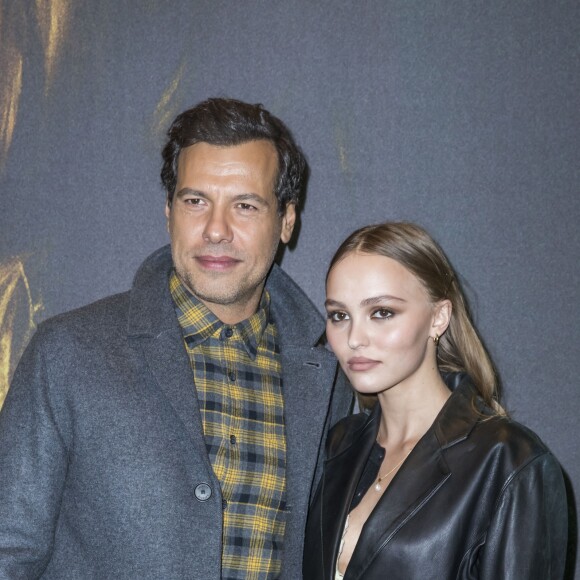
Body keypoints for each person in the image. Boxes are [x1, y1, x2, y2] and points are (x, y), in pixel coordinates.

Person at [0, 98, 351, 579]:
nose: (215, 230)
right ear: (169, 211)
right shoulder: (69, 353)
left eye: (245, 206)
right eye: (195, 201)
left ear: (286, 221)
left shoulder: (328, 378)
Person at [303, 222, 568, 579]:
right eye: (339, 315)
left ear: (439, 317)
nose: (354, 338)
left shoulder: (509, 462)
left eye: (381, 312)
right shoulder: (338, 446)